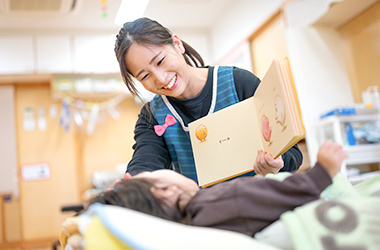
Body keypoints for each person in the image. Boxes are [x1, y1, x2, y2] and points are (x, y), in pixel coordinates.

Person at [115, 17, 303, 183]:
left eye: (160, 61)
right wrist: (133, 184)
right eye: (145, 76)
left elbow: (292, 153)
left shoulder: (238, 83)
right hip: (204, 215)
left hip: (260, 207)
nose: (161, 78)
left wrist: (278, 163)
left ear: (177, 44)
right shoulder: (152, 115)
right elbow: (146, 159)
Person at [89, 140, 348, 236]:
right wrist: (322, 172)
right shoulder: (219, 201)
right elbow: (276, 195)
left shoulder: (191, 225)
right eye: (153, 173)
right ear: (164, 190)